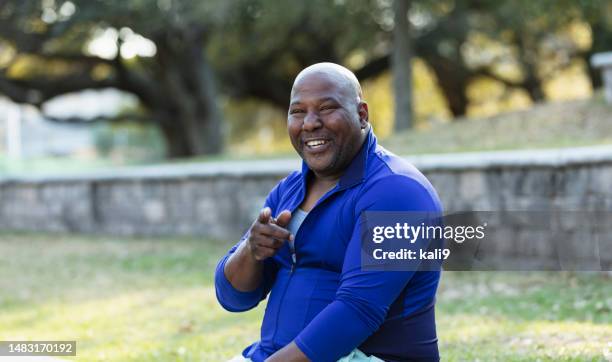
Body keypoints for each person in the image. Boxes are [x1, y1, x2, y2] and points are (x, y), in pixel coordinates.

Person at [215, 62, 443, 362]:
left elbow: (357, 312)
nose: (310, 123)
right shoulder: (289, 190)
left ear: (361, 115)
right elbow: (234, 297)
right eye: (298, 111)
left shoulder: (399, 193)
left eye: (326, 108)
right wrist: (250, 250)